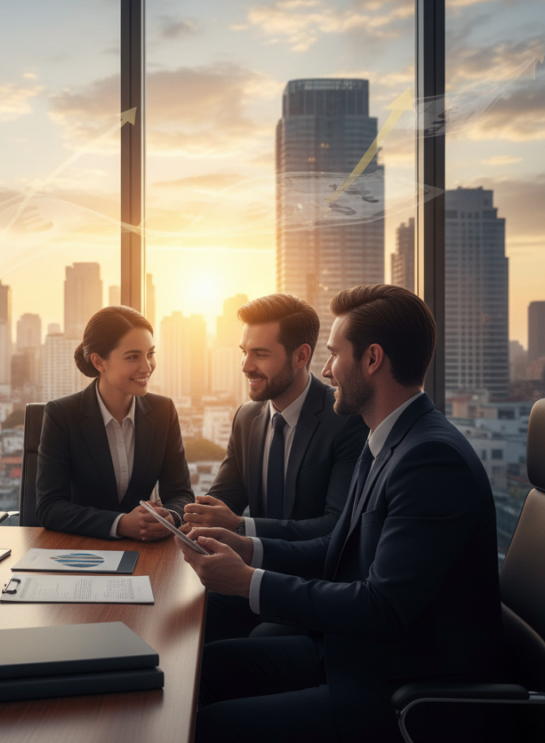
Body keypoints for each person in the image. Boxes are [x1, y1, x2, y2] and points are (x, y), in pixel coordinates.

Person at [177, 285, 501, 743]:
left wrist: (247, 581)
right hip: (355, 650)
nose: (326, 371)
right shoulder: (386, 439)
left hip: (396, 684)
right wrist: (246, 547)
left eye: (333, 355)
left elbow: (382, 608)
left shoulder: (429, 459)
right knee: (203, 669)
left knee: (211, 726)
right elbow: (337, 548)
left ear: (371, 360)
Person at [181, 294, 367, 642]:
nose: (245, 366)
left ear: (301, 356)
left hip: (311, 591)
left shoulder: (345, 420)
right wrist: (181, 518)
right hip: (249, 574)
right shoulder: (247, 417)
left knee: (225, 648)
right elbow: (223, 500)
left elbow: (336, 527)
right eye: (244, 351)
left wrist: (240, 526)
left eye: (260, 354)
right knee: (179, 618)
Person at [36, 305, 194, 540]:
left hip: (147, 552)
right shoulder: (62, 414)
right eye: (133, 357)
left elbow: (181, 493)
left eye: (150, 354)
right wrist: (119, 524)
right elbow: (49, 508)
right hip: (82, 552)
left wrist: (170, 517)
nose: (147, 366)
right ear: (99, 362)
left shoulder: (163, 411)